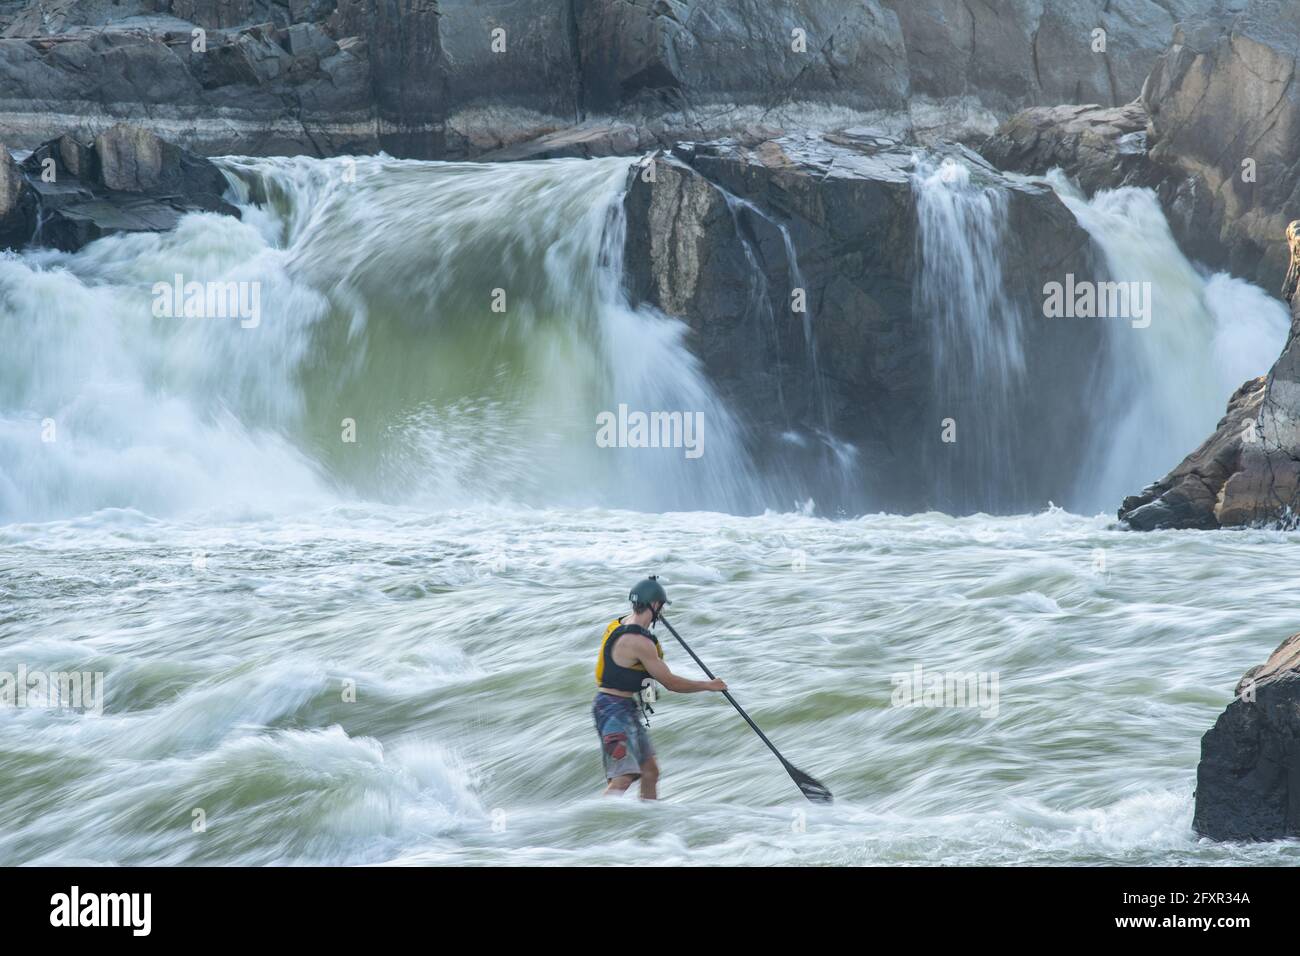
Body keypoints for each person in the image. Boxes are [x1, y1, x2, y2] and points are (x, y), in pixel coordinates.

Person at [592, 576, 726, 799]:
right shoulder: (638, 641)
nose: (662, 613)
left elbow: (639, 675)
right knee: (623, 778)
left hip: (624, 708)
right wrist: (709, 686)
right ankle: (596, 826)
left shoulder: (621, 624)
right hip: (612, 711)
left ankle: (648, 827)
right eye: (661, 607)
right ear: (654, 605)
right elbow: (671, 683)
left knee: (650, 772)